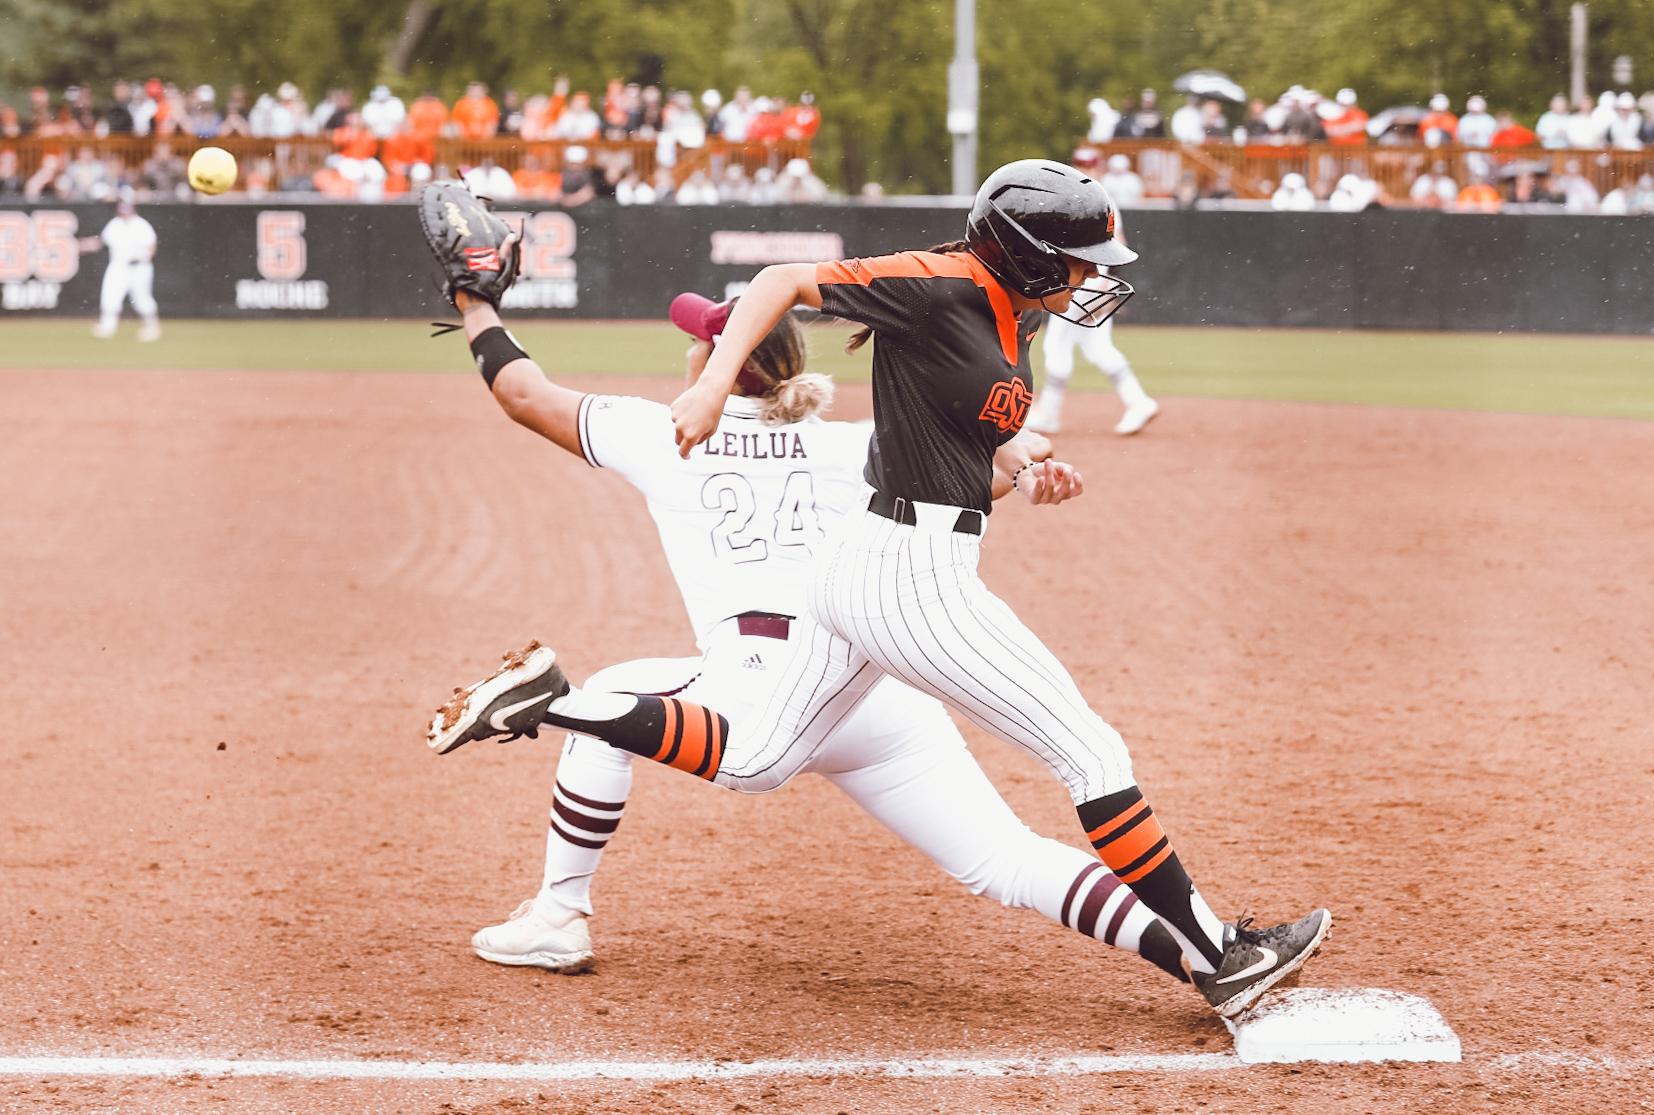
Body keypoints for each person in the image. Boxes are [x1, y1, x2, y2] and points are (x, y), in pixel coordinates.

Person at [430, 161, 1331, 1019]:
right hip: (905, 583)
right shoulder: (866, 398)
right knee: (1088, 756)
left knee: (750, 759)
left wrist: (476, 300)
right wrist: (716, 389)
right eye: (1078, 259)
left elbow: (523, 392)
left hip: (844, 597)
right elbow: (813, 313)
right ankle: (1218, 952)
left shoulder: (657, 429)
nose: (1093, 275)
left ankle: (562, 718)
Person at [1023, 189, 1157, 436]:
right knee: (1097, 347)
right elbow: (1119, 243)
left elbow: (1114, 242)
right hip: (1095, 280)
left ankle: (1049, 414)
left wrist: (1104, 279)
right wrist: (1107, 279)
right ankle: (1138, 401)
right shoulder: (1103, 198)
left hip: (1082, 281)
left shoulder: (1083, 198)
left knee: (1057, 344)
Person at [77, 196, 160, 341]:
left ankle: (151, 327)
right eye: (123, 208)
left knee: (142, 300)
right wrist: (83, 245)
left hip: (139, 267)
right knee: (110, 296)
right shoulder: (115, 224)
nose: (125, 211)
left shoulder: (141, 225)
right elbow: (101, 242)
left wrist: (144, 257)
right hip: (119, 265)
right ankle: (107, 327)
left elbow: (151, 246)